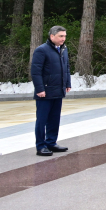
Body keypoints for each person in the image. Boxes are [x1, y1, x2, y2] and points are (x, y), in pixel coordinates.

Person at [30, 25, 71, 156]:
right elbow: (35, 72)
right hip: (45, 92)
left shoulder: (63, 49)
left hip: (58, 91)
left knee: (54, 119)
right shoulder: (41, 50)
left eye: (64, 36)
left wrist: (67, 83)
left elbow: (67, 68)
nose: (63, 39)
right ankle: (40, 146)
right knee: (42, 120)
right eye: (60, 36)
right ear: (52, 36)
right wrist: (40, 89)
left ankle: (51, 143)